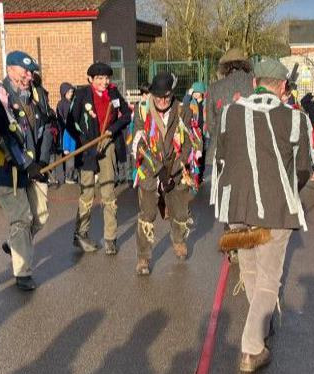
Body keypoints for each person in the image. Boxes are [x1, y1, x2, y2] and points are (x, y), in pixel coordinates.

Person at [213, 58, 313, 373]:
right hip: (276, 208)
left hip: (238, 208)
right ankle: (252, 347)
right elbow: (303, 169)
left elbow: (221, 158)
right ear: (282, 86)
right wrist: (287, 191)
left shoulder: (230, 113)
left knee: (250, 272)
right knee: (269, 279)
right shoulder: (295, 119)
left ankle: (262, 323)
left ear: (255, 83)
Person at [0, 51, 53, 290]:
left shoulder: (37, 96)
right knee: (22, 219)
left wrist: (43, 161)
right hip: (8, 171)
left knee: (41, 215)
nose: (29, 75)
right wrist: (27, 163)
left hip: (35, 167)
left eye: (30, 71)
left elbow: (47, 126)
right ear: (10, 69)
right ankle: (23, 272)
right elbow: (2, 136)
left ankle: (13, 242)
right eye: (24, 71)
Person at [131, 73, 203, 275]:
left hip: (176, 170)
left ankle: (178, 239)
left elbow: (191, 142)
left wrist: (176, 167)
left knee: (180, 213)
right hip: (149, 171)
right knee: (148, 215)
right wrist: (159, 169)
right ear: (152, 94)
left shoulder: (183, 111)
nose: (163, 101)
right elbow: (138, 143)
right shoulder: (142, 110)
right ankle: (143, 258)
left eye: (167, 96)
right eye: (159, 96)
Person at [67, 62, 131, 254]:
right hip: (88, 148)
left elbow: (126, 115)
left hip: (108, 145)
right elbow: (71, 123)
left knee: (109, 192)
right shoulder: (81, 95)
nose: (105, 82)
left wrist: (112, 129)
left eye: (107, 78)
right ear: (91, 80)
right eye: (100, 78)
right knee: (87, 193)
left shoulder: (113, 93)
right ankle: (81, 234)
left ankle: (110, 238)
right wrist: (85, 141)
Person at [206, 48, 255, 184]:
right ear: (245, 65)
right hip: (248, 155)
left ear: (225, 67)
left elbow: (211, 125)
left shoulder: (214, 88)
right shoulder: (255, 84)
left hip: (218, 153)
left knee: (216, 201)